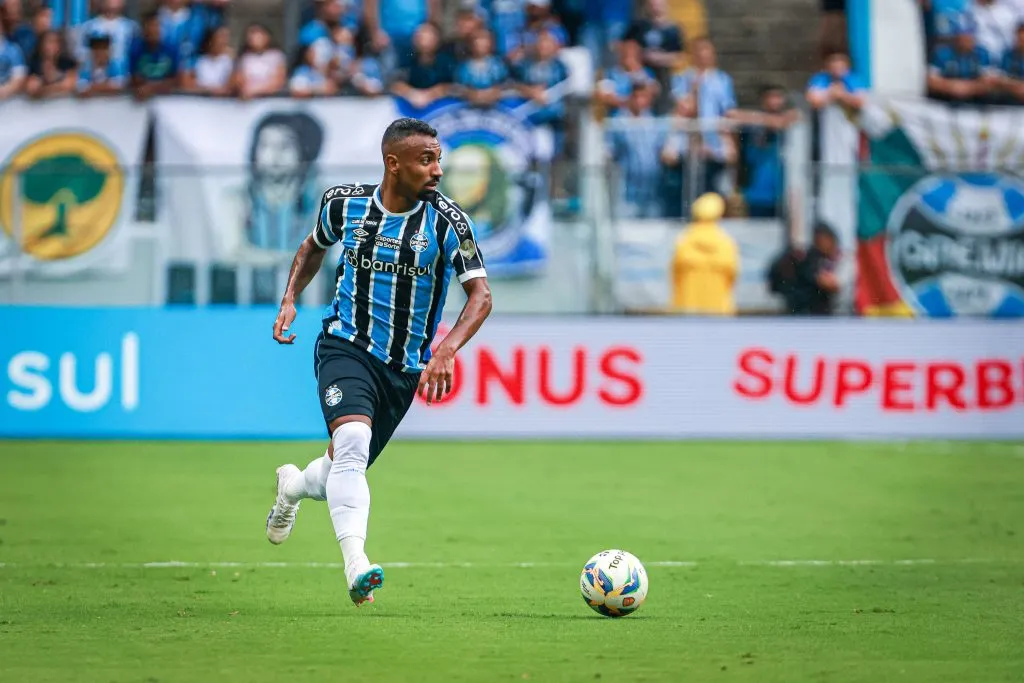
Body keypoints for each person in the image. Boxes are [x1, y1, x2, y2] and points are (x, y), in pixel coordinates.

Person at [266, 118, 493, 607]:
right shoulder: (344, 203)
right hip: (344, 345)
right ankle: (357, 566)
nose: (437, 170)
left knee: (340, 467)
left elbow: (480, 296)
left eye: (438, 159)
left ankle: (292, 486)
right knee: (350, 441)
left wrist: (446, 349)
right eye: (426, 160)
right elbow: (312, 248)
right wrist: (289, 298)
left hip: (403, 369)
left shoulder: (448, 223)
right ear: (394, 164)